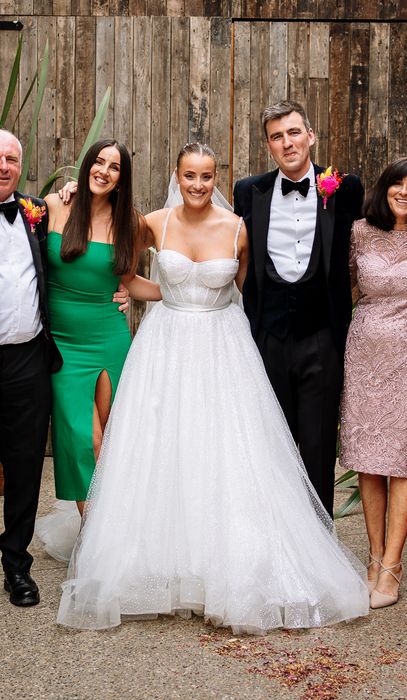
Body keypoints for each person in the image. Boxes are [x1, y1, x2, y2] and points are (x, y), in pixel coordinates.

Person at [57, 143, 369, 632]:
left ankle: (226, 558)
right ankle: (163, 557)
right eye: (189, 176)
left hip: (223, 345)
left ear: (216, 177)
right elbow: (119, 264)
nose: (198, 185)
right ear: (176, 176)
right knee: (163, 447)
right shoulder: (152, 223)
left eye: (206, 176)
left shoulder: (238, 228)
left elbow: (250, 290)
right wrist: (158, 292)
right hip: (167, 342)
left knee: (227, 451)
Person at [233, 101, 364, 516]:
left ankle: (320, 543)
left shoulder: (345, 187)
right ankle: (279, 543)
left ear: (311, 136)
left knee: (318, 444)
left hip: (322, 335)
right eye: (277, 136)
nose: (287, 142)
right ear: (268, 145)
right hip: (267, 335)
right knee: (272, 443)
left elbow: (375, 238)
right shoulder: (247, 191)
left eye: (293, 132)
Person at [339, 157, 407, 609]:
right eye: (397, 184)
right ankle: (372, 556)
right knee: (368, 457)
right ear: (383, 188)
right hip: (364, 354)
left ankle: (392, 566)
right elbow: (339, 287)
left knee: (403, 460)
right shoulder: (359, 232)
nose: (405, 192)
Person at [43, 139, 157, 517]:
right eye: (98, 162)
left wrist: (178, 293)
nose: (104, 171)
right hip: (61, 344)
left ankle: (115, 533)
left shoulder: (132, 224)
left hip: (108, 337)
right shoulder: (55, 206)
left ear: (122, 179)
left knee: (109, 443)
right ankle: (93, 541)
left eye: (114, 167)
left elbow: (131, 279)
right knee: (83, 439)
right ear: (87, 164)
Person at [0, 129, 62, 607]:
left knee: (24, 466)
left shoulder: (34, 212)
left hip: (27, 360)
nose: (4, 165)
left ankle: (17, 566)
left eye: (12, 158)